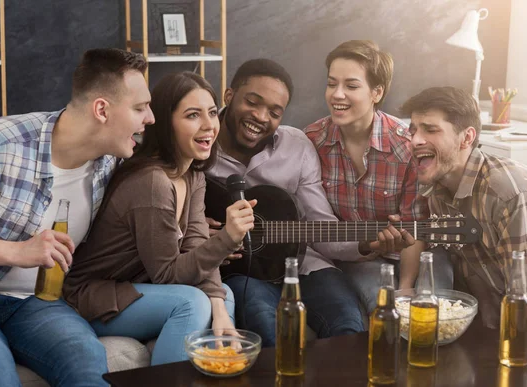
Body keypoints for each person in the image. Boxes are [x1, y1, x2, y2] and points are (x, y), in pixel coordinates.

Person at [0, 48, 154, 386]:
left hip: (37, 303)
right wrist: (16, 252)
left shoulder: (110, 162)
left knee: (86, 358)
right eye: (140, 108)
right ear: (101, 110)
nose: (149, 118)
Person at [63, 71, 256, 365]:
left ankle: (218, 366)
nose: (209, 126)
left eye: (213, 113)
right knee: (191, 304)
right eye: (193, 115)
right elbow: (167, 273)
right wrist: (228, 238)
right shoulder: (152, 182)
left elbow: (195, 243)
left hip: (143, 287)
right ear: (166, 124)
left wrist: (219, 307)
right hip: (94, 296)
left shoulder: (192, 174)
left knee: (222, 295)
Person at [205, 58, 366, 348]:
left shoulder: (297, 145)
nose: (261, 117)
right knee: (266, 327)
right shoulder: (199, 141)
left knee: (349, 323)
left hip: (303, 264)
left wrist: (368, 243)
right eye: (252, 102)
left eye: (274, 112)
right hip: (240, 272)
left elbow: (320, 224)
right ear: (229, 97)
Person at [401, 86, 527, 351]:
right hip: (502, 326)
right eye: (413, 130)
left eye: (430, 130)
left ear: (467, 138)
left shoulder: (509, 194)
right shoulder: (438, 193)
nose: (415, 140)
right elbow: (481, 277)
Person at [304, 40, 452, 315]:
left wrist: (405, 288)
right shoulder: (312, 141)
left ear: (377, 92)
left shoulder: (406, 145)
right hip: (359, 257)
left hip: (416, 251)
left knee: (431, 310)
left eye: (351, 86)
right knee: (381, 310)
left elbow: (414, 225)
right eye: (331, 83)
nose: (337, 94)